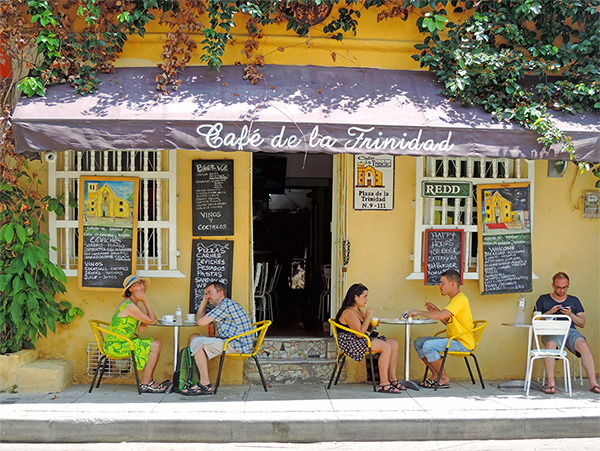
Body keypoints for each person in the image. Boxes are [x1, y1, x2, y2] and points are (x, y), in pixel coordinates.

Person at [406, 269, 474, 389]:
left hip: (462, 343)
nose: (440, 286)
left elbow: (441, 316)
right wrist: (436, 311)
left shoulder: (460, 299)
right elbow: (447, 321)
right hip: (454, 339)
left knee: (428, 345)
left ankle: (443, 377)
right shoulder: (455, 300)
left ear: (453, 284)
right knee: (419, 343)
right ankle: (436, 374)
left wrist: (418, 312)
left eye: (443, 283)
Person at [534, 272, 599, 395]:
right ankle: (551, 384)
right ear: (553, 285)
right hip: (551, 331)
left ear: (568, 285)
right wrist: (549, 313)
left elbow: (582, 323)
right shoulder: (543, 299)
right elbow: (534, 322)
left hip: (570, 331)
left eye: (565, 287)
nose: (562, 290)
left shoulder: (574, 300)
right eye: (559, 287)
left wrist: (570, 314)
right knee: (550, 346)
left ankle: (593, 384)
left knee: (583, 345)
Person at [185, 281, 253, 395]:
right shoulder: (222, 305)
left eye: (209, 293)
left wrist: (206, 301)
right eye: (206, 294)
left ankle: (205, 384)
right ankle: (192, 376)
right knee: (194, 337)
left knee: (198, 342)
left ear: (220, 293)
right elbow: (199, 318)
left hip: (237, 345)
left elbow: (200, 322)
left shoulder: (225, 305)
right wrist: (205, 299)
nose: (207, 296)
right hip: (229, 341)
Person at [334, 283, 404, 393]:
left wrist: (371, 325)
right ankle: (384, 384)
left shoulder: (358, 310)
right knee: (386, 347)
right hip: (352, 344)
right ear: (355, 297)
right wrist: (368, 317)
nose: (366, 299)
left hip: (360, 340)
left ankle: (393, 379)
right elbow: (360, 333)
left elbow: (363, 328)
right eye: (364, 296)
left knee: (394, 343)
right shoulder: (349, 312)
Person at [103, 274, 166, 393]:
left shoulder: (135, 303)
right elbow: (152, 320)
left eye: (141, 283)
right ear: (130, 290)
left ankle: (148, 381)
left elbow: (152, 319)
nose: (141, 286)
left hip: (125, 341)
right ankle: (146, 382)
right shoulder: (129, 305)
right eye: (136, 284)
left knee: (156, 342)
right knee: (155, 345)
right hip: (115, 345)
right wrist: (146, 301)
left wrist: (144, 322)